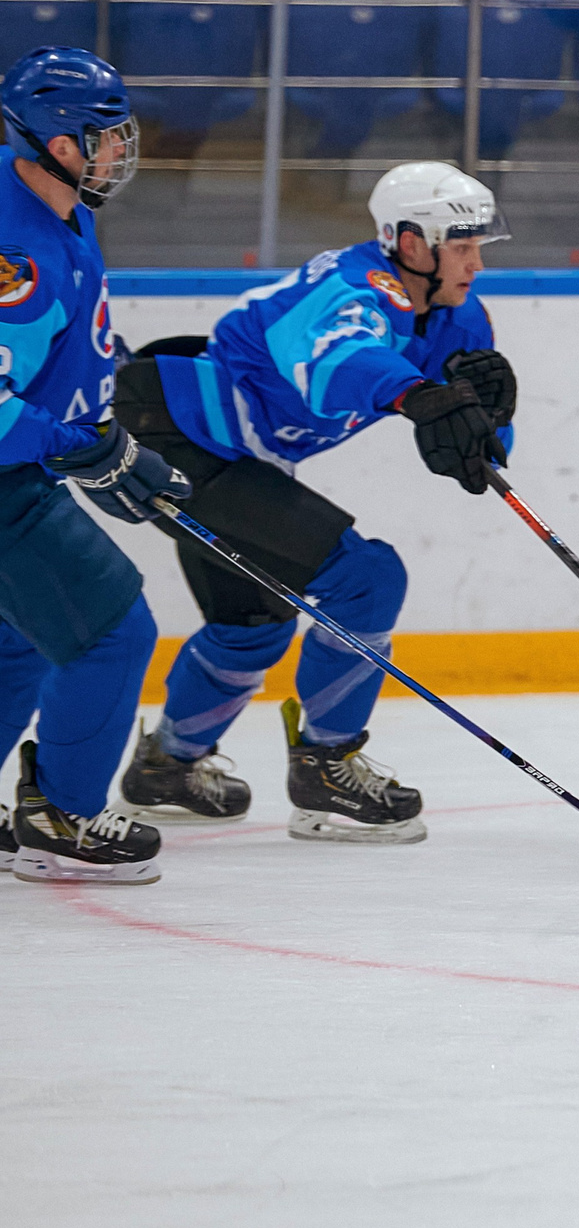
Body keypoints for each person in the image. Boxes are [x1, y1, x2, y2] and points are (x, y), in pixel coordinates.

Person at [111, 162, 515, 845]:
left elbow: (465, 445)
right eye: (462, 245)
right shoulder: (353, 287)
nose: (476, 263)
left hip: (226, 452)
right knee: (367, 578)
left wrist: (491, 426)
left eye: (479, 246)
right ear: (411, 243)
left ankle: (166, 768)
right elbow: (334, 363)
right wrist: (415, 395)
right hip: (175, 432)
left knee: (252, 629)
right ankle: (326, 764)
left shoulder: (457, 314)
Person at [0, 46, 185, 884]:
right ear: (61, 141)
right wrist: (81, 446)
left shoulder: (57, 204)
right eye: (107, 136)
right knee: (116, 631)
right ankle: (62, 817)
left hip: (24, 470)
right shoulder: (17, 257)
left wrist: (104, 425)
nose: (121, 150)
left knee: (22, 644)